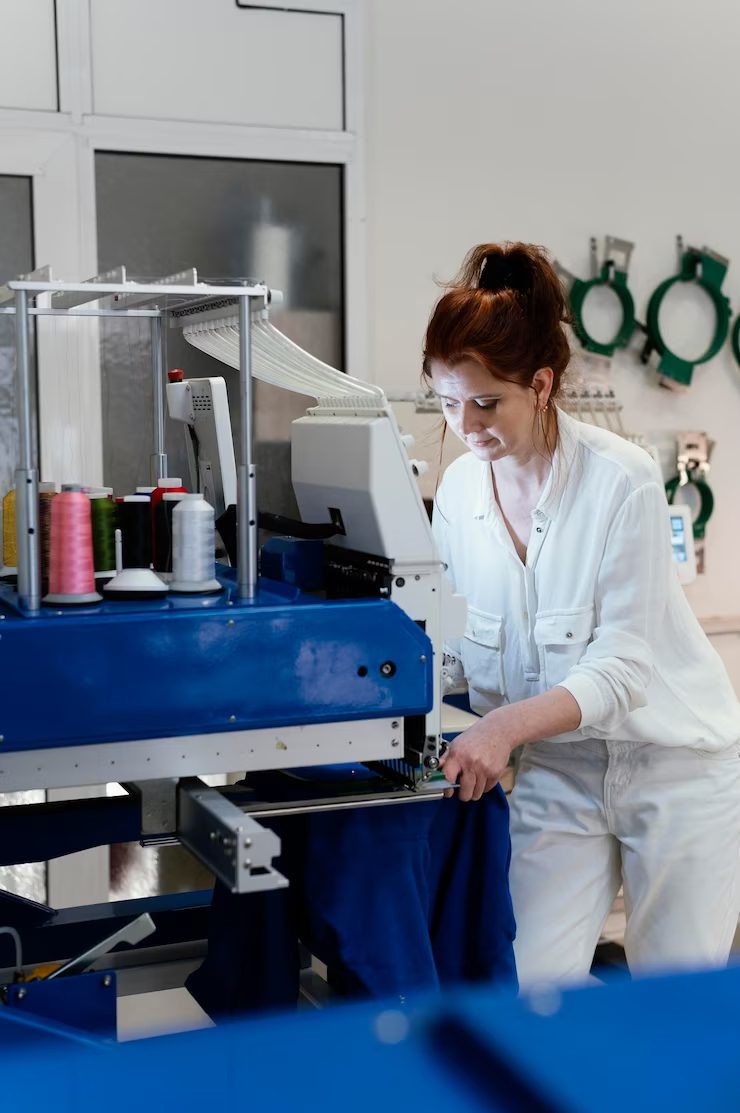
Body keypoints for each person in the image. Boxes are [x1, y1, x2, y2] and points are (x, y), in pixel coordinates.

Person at [427, 241, 740, 986]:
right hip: (558, 770)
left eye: (486, 402)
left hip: (675, 768)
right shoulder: (461, 492)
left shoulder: (621, 478)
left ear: (540, 385)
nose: (466, 424)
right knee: (523, 986)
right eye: (446, 400)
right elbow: (451, 641)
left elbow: (623, 670)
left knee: (672, 1006)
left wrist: (499, 729)